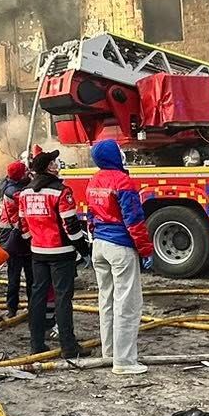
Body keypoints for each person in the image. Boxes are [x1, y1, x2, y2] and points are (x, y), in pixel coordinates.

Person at [85, 139, 154, 375]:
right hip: (120, 247)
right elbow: (134, 220)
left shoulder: (94, 180)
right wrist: (145, 250)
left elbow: (90, 215)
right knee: (127, 303)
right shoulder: (123, 182)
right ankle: (124, 361)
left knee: (106, 301)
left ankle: (109, 353)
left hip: (99, 245)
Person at [18, 149, 88, 362]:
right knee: (62, 299)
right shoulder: (61, 192)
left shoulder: (25, 193)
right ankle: (69, 346)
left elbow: (22, 224)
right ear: (49, 167)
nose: (57, 165)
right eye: (54, 162)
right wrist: (83, 249)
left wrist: (34, 241)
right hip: (61, 253)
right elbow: (71, 225)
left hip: (38, 252)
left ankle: (36, 344)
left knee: (37, 297)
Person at [0, 158, 34, 319]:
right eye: (25, 170)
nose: (28, 172)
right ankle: (12, 308)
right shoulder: (13, 191)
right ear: (19, 175)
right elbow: (26, 199)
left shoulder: (12, 185)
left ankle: (28, 307)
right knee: (15, 277)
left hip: (17, 237)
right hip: (15, 238)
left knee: (28, 276)